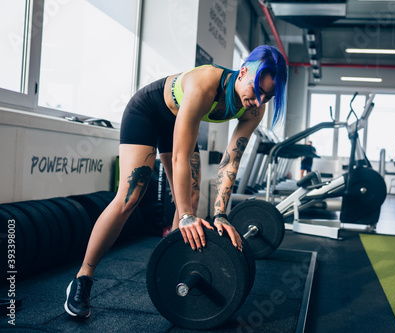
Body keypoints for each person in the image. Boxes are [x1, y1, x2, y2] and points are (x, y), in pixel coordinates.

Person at [64, 45, 288, 318]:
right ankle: (83, 278)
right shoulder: (205, 83)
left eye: (269, 95)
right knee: (129, 198)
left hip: (180, 121)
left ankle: (171, 264)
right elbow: (180, 156)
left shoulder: (254, 110)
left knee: (192, 200)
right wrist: (184, 217)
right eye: (258, 90)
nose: (260, 100)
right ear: (243, 73)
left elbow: (230, 161)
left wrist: (221, 214)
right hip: (148, 111)